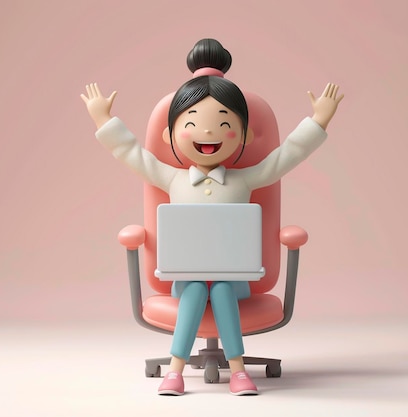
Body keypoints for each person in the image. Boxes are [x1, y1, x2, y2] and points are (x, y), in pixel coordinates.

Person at [81, 38, 343, 395]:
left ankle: (236, 370)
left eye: (224, 124)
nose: (208, 134)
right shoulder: (170, 178)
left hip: (235, 278)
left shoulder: (246, 178)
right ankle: (176, 369)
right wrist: (103, 118)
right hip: (183, 274)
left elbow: (288, 156)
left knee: (220, 289)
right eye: (192, 123)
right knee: (191, 290)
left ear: (245, 135)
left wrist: (319, 119)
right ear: (169, 134)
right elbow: (131, 153)